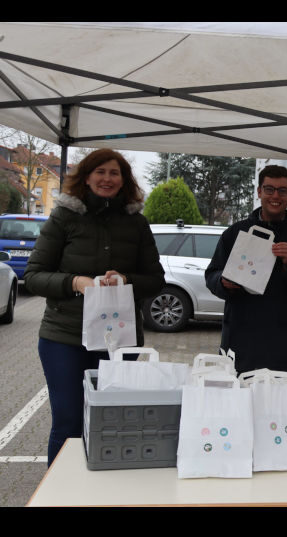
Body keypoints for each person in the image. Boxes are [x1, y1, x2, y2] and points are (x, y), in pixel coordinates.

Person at [24, 149, 165, 465]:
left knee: (111, 422)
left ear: (124, 180)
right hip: (64, 338)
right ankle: (60, 494)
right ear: (86, 177)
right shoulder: (64, 217)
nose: (107, 178)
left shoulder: (136, 223)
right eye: (100, 171)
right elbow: (33, 276)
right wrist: (76, 282)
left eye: (114, 173)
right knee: (70, 422)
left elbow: (156, 279)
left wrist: (126, 279)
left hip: (117, 341)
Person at [205, 165, 287, 375]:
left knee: (280, 408)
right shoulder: (235, 233)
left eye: (282, 190)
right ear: (259, 192)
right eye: (269, 189)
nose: (275, 196)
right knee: (239, 406)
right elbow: (212, 274)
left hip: (284, 347)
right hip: (240, 344)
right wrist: (222, 282)